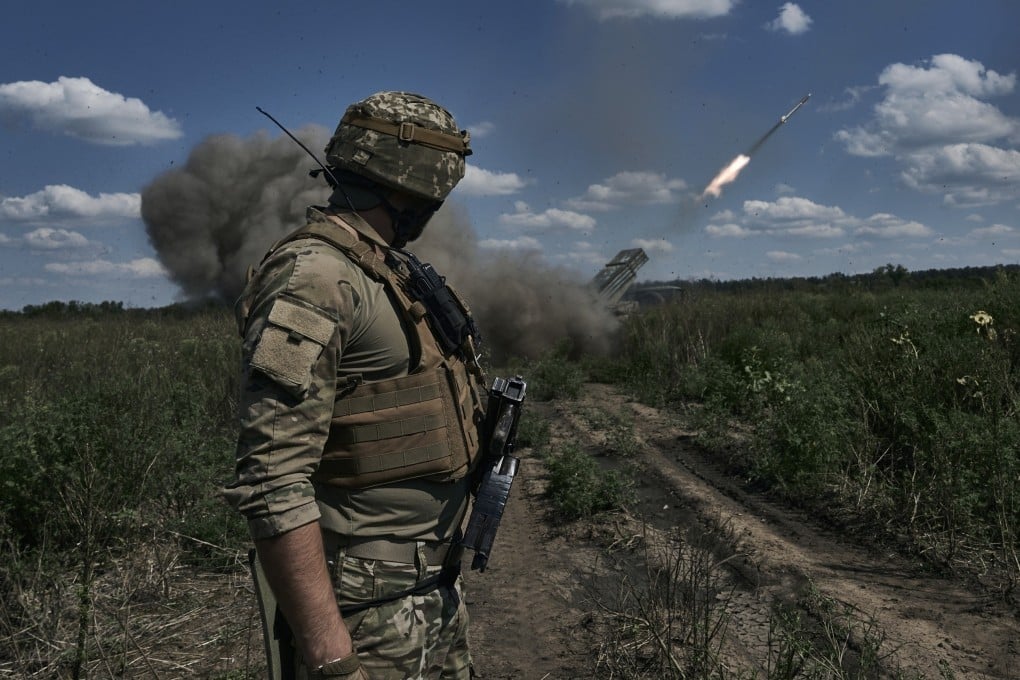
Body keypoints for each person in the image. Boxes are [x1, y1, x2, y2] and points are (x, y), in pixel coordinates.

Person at [225, 91, 487, 680]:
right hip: (366, 609)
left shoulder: (387, 269)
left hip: (426, 589)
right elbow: (272, 478)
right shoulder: (316, 278)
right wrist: (331, 656)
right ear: (415, 182)